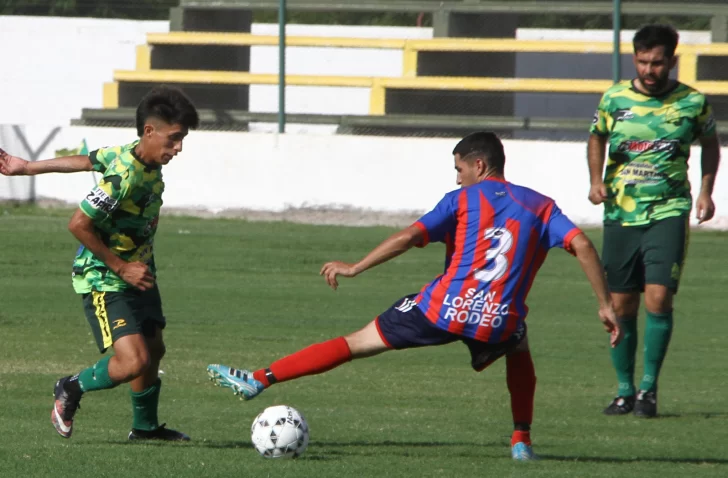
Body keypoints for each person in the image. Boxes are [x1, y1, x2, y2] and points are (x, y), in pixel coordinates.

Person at [207, 131, 621, 461]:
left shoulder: (460, 200)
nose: (457, 177)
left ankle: (259, 379)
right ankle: (521, 440)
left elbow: (408, 237)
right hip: (497, 319)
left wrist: (355, 267)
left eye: (459, 168)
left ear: (479, 165)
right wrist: (605, 304)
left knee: (356, 343)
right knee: (518, 340)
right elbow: (583, 244)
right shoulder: (541, 206)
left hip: (442, 310)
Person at [0, 86, 200, 440]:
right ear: (150, 132)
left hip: (139, 272)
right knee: (134, 361)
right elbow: (78, 223)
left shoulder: (130, 155)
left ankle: (145, 429)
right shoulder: (123, 179)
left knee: (154, 349)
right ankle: (71, 387)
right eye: (174, 139)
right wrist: (121, 267)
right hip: (105, 277)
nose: (179, 148)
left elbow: (88, 159)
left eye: (182, 139)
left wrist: (28, 167)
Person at [587, 24, 721, 418]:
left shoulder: (693, 103)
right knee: (621, 304)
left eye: (658, 62)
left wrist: (706, 190)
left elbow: (710, 145)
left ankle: (648, 390)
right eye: (643, 61)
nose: (650, 69)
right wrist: (595, 181)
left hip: (668, 211)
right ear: (635, 59)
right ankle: (624, 390)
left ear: (672, 61)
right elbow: (596, 137)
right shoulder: (614, 99)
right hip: (620, 213)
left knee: (659, 298)